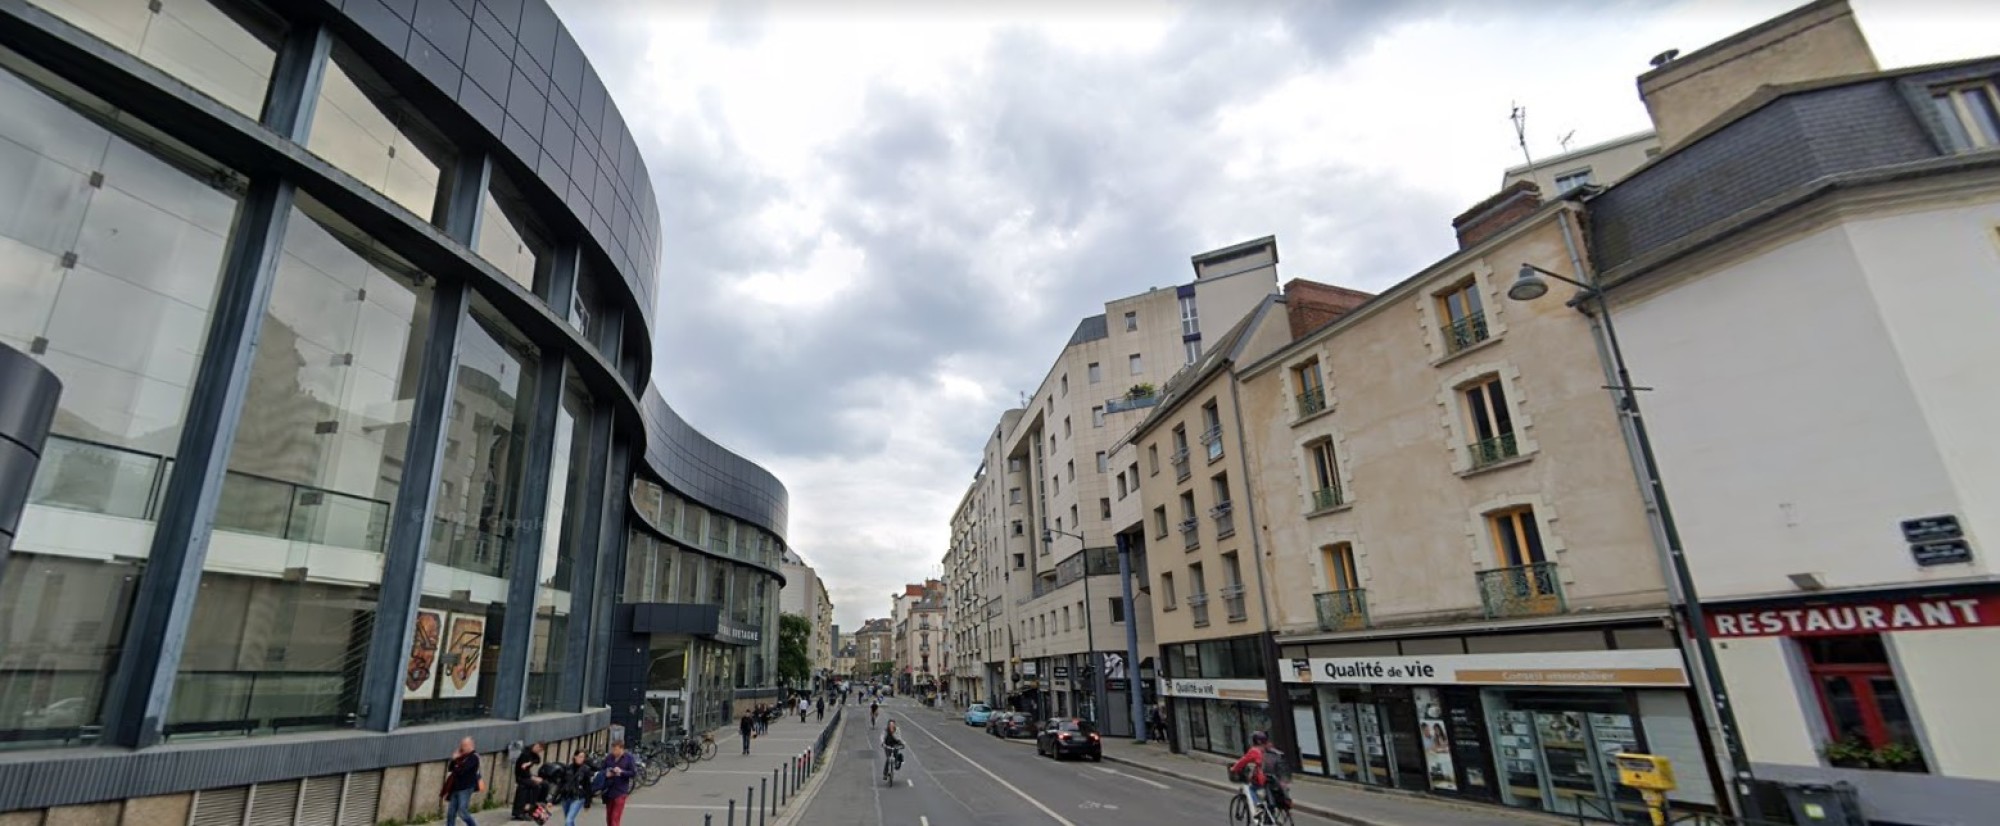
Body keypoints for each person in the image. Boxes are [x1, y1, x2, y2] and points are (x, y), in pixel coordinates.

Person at [439, 737, 482, 826]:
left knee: (462, 811)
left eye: (464, 746)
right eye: (462, 745)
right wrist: (454, 759)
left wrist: (457, 766)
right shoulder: (461, 757)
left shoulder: (474, 757)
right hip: (455, 787)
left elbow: (463, 770)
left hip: (465, 787)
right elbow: (451, 768)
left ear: (471, 745)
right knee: (451, 812)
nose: (462, 748)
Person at [1230, 731, 1273, 813]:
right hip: (1273, 777)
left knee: (1251, 789)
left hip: (1263, 778)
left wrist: (1233, 769)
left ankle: (1258, 806)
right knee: (1268, 795)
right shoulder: (1268, 749)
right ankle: (1270, 815)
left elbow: (1243, 761)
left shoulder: (1254, 750)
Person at [600, 740, 639, 826]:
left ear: (622, 749)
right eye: (613, 749)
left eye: (616, 750)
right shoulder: (609, 757)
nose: (614, 752)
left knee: (615, 818)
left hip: (620, 791)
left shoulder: (629, 758)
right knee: (609, 818)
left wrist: (621, 772)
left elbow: (633, 773)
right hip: (609, 791)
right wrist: (606, 773)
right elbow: (602, 769)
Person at [554, 750, 594, 826]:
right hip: (566, 797)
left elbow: (588, 787)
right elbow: (561, 784)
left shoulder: (586, 769)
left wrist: (587, 803)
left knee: (568, 821)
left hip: (578, 797)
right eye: (580, 756)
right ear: (575, 756)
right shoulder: (567, 768)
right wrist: (553, 799)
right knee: (569, 820)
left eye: (583, 757)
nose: (581, 758)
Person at [512, 741, 545, 820]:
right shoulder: (525, 754)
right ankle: (528, 806)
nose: (538, 752)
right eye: (539, 750)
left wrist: (530, 763)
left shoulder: (532, 754)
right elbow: (522, 771)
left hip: (526, 776)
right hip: (521, 777)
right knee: (535, 786)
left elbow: (538, 760)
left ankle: (536, 805)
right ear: (536, 746)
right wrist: (532, 778)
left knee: (544, 784)